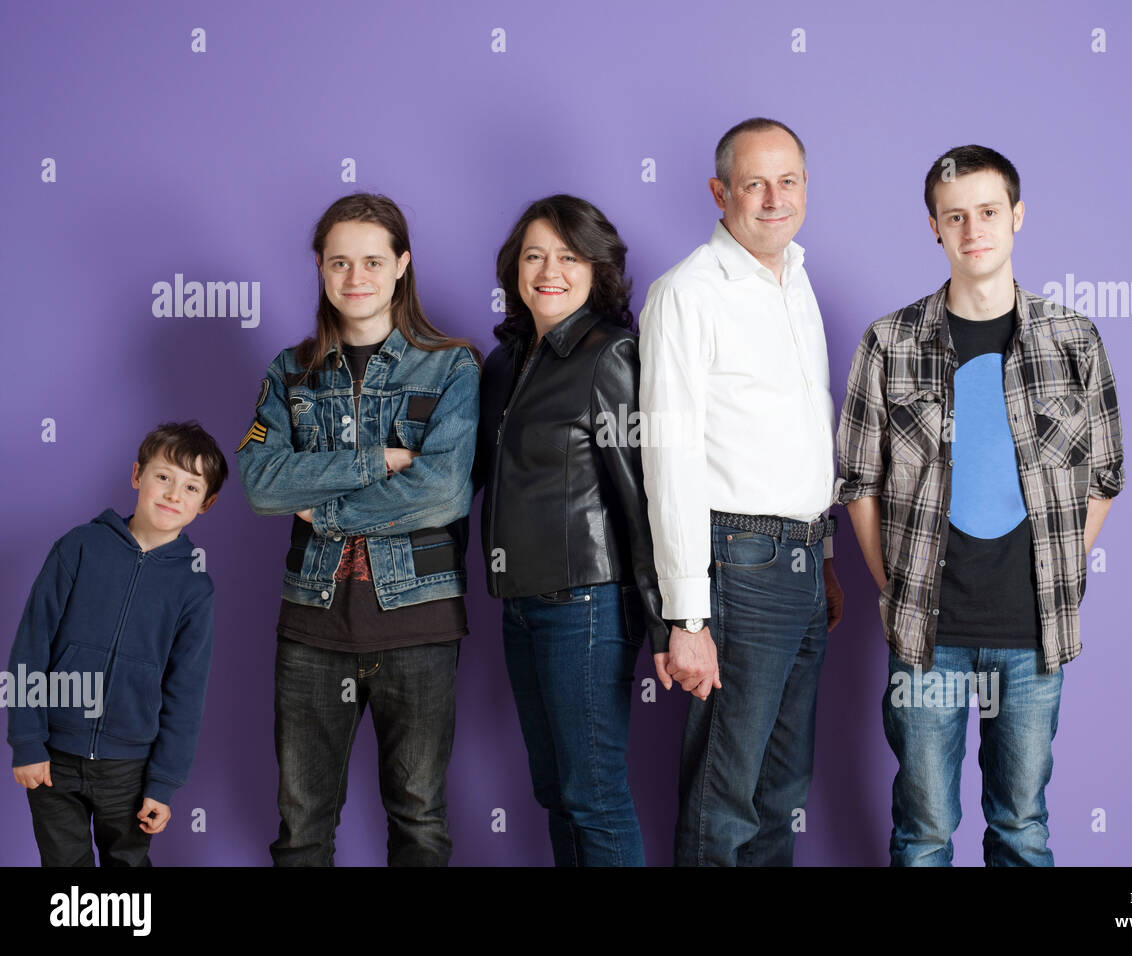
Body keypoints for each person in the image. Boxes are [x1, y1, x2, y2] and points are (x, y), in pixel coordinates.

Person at [836, 145, 1125, 866]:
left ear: (1017, 216)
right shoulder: (889, 342)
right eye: (954, 216)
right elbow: (859, 484)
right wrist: (898, 586)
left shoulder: (1074, 341)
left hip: (1033, 632)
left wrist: (1054, 570)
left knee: (1022, 829)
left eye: (988, 212)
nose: (973, 230)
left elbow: (1104, 477)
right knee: (924, 833)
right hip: (929, 634)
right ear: (933, 226)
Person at [238, 193, 479, 867]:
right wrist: (380, 460)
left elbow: (443, 490)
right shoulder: (288, 372)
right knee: (303, 830)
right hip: (312, 626)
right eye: (339, 262)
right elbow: (260, 481)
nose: (356, 278)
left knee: (419, 823)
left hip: (419, 625)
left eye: (373, 260)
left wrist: (330, 510)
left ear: (401, 265)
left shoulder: (452, 366)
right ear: (320, 267)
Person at [638, 118, 843, 867]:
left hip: (802, 560)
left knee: (779, 794)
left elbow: (791, 437)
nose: (772, 198)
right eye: (753, 183)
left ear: (805, 187)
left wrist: (819, 562)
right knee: (725, 798)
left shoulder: (797, 277)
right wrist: (686, 617)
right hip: (740, 565)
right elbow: (668, 461)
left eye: (787, 180)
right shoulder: (687, 294)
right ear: (720, 192)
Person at [477, 194, 666, 866]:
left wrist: (668, 624)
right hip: (520, 606)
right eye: (534, 256)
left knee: (594, 796)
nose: (548, 271)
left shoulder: (611, 354)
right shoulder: (503, 363)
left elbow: (641, 497)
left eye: (568, 256)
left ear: (596, 270)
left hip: (587, 604)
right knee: (556, 793)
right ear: (514, 270)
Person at [7, 421, 227, 866]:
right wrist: (27, 742)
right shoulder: (80, 547)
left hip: (129, 770)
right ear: (137, 476)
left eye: (190, 486)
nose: (172, 493)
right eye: (163, 476)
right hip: (54, 758)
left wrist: (162, 784)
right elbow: (30, 646)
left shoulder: (194, 587)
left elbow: (185, 693)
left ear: (206, 504)